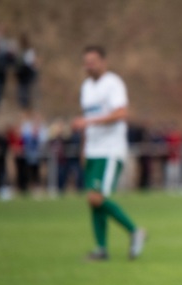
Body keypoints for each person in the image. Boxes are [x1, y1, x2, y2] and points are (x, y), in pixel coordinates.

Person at [72, 45, 146, 261]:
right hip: (93, 150)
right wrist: (84, 148)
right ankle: (101, 248)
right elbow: (88, 121)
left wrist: (88, 121)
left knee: (96, 197)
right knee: (92, 199)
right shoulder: (86, 87)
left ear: (103, 62)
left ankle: (134, 231)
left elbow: (121, 113)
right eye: (86, 62)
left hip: (110, 150)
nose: (89, 66)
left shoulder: (113, 83)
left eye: (93, 61)